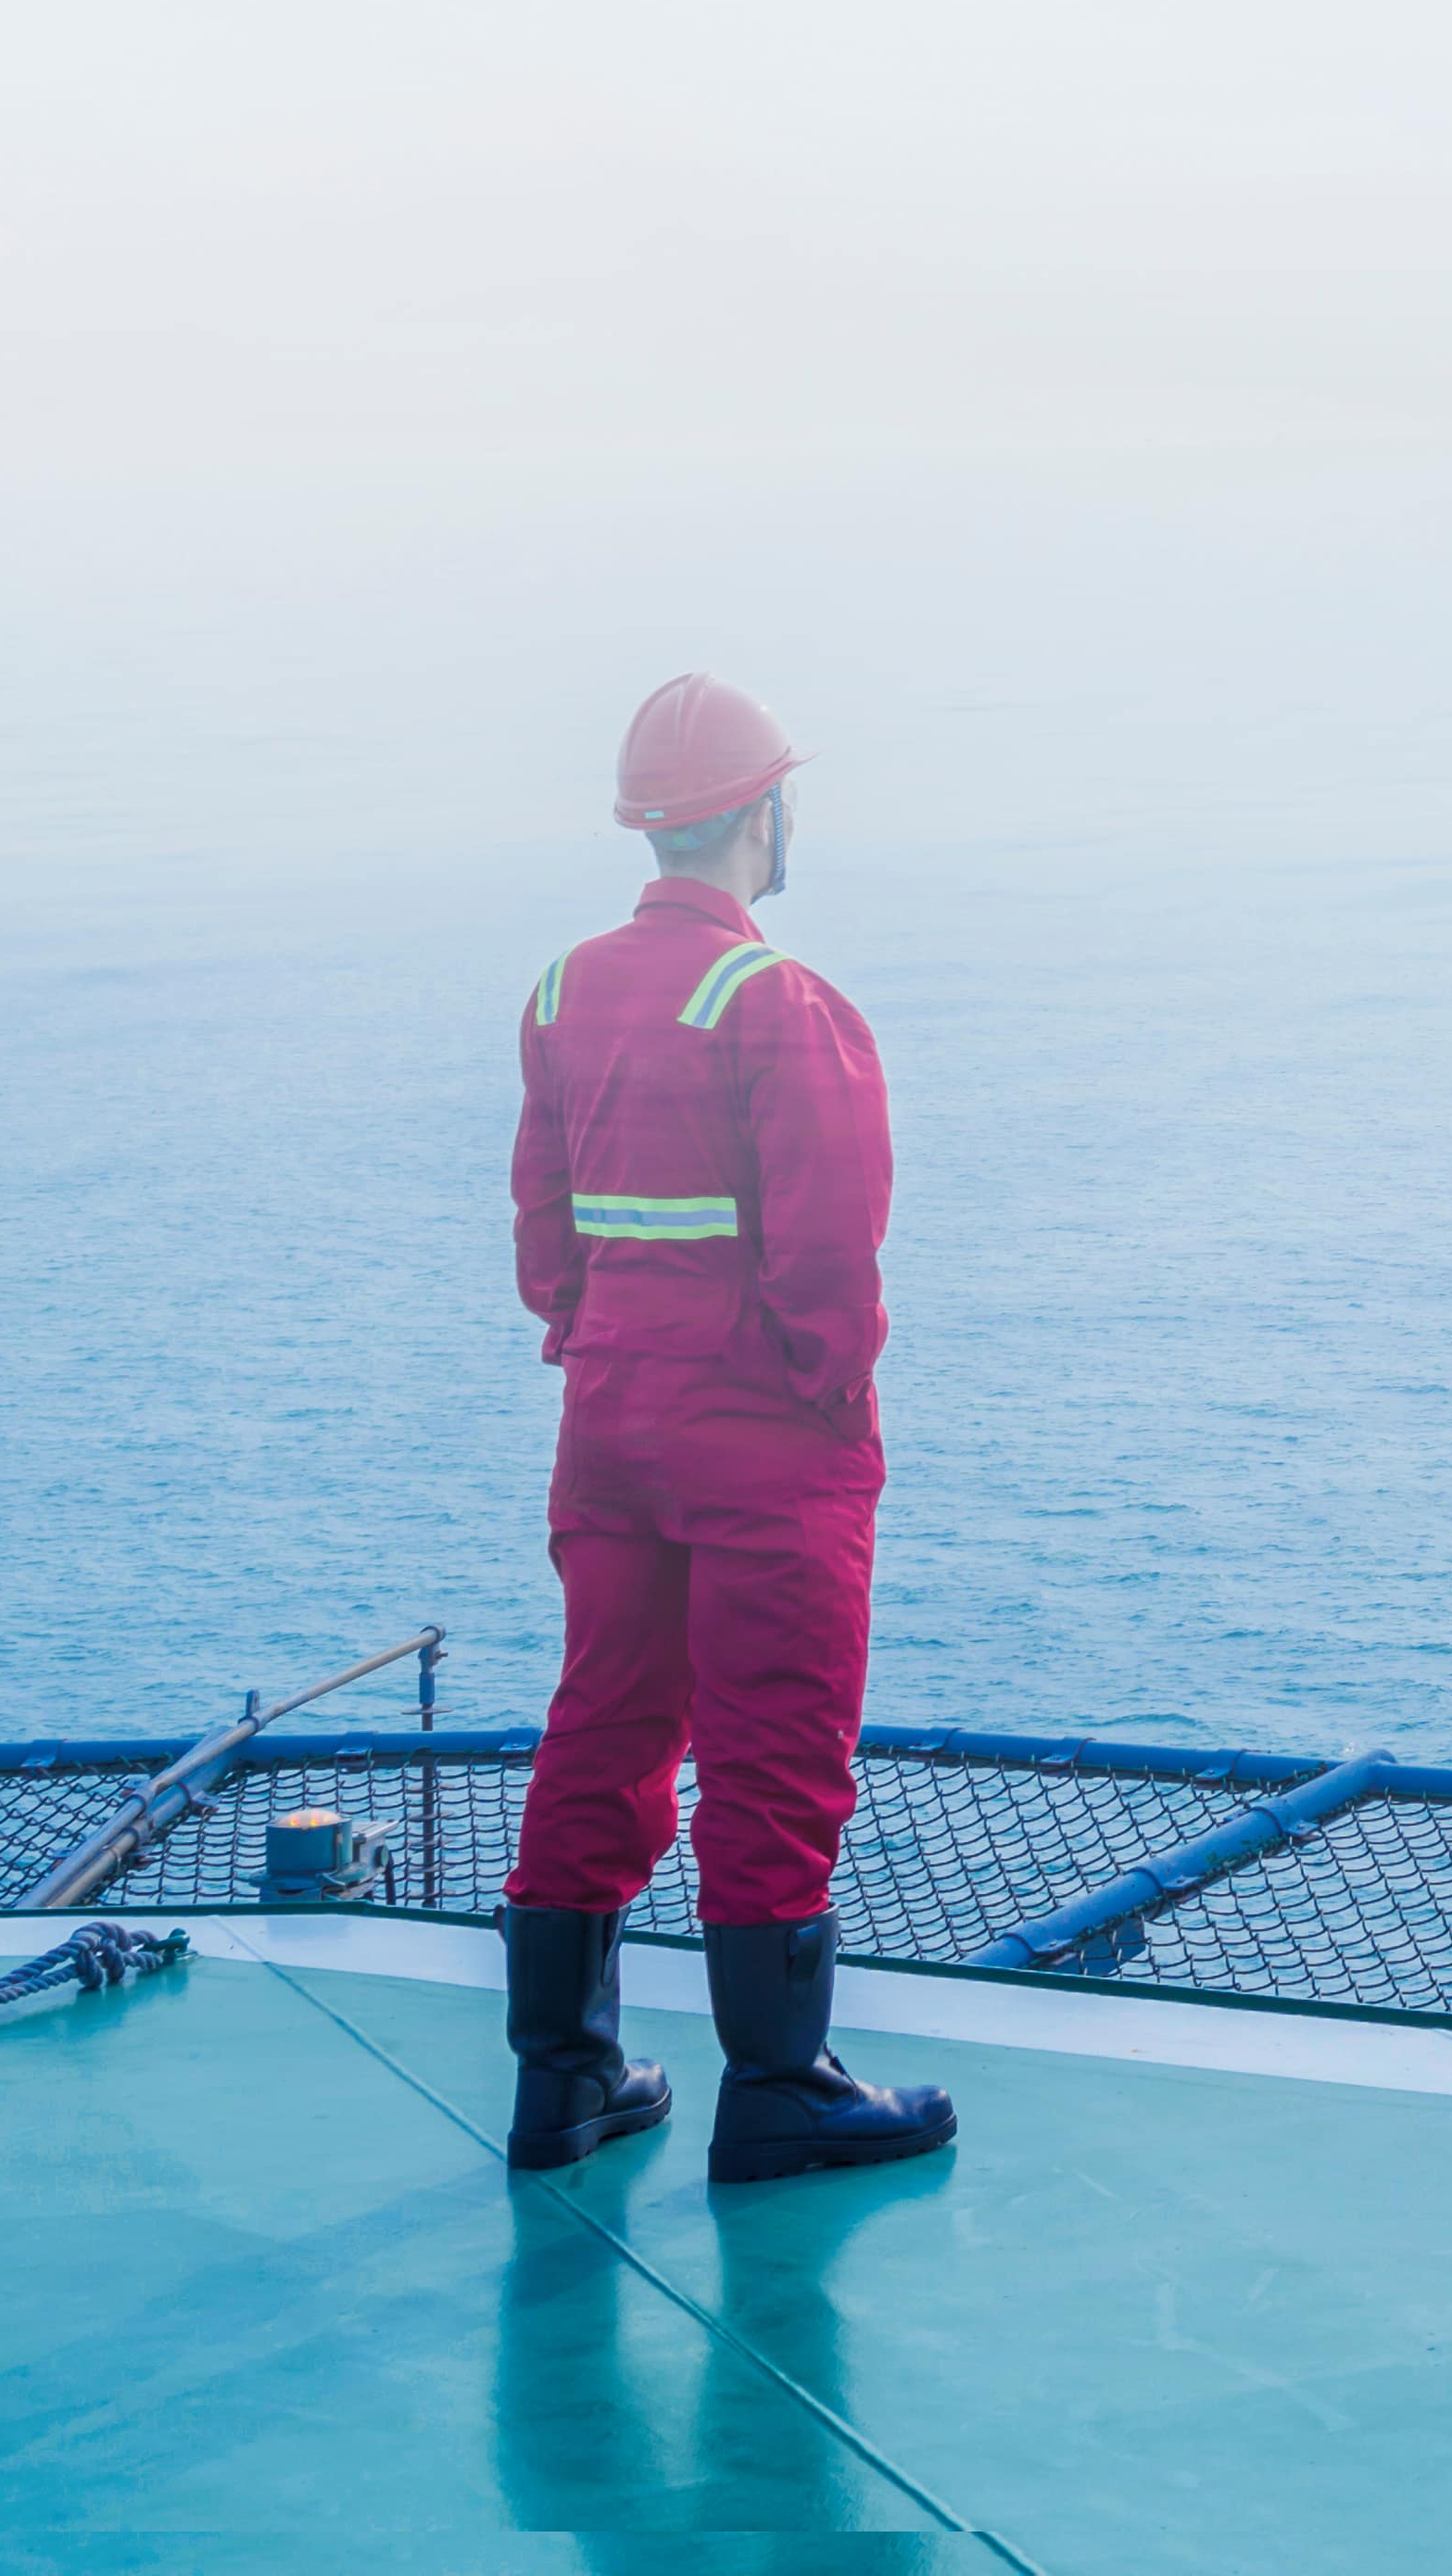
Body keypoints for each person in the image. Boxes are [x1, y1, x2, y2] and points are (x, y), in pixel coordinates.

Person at [493, 672, 960, 2185]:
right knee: (774, 1740)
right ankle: (777, 2085)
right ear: (765, 812)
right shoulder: (779, 1005)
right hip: (759, 1433)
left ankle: (563, 2080)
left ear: (650, 824)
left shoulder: (561, 989)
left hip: (609, 1414)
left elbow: (543, 1233)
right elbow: (833, 1254)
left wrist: (594, 1340)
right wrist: (825, 1393)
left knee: (608, 1719)